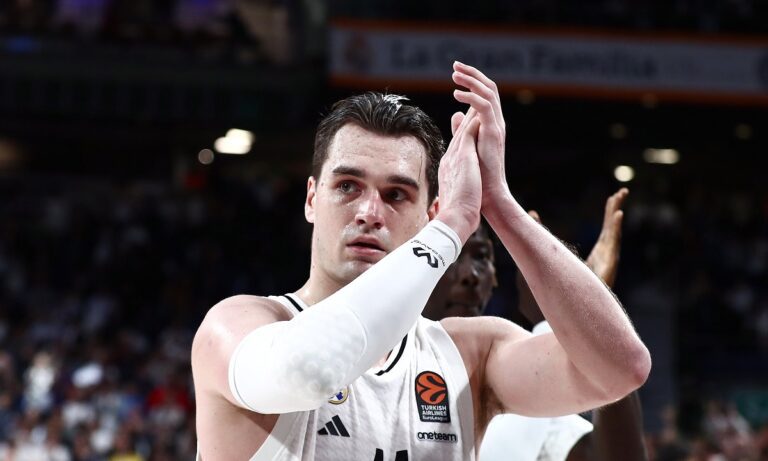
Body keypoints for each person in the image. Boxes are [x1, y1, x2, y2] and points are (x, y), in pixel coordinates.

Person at [191, 61, 651, 460]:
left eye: (396, 194)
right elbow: (309, 372)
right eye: (348, 186)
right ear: (312, 199)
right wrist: (452, 226)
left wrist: (499, 203)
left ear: (428, 213)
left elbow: (621, 370)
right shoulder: (235, 328)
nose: (369, 212)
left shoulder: (469, 356)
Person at [423, 188, 648, 461]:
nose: (469, 275)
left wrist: (587, 316)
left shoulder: (524, 372)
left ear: (495, 277)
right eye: (450, 254)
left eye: (481, 256)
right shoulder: (383, 353)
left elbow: (616, 456)